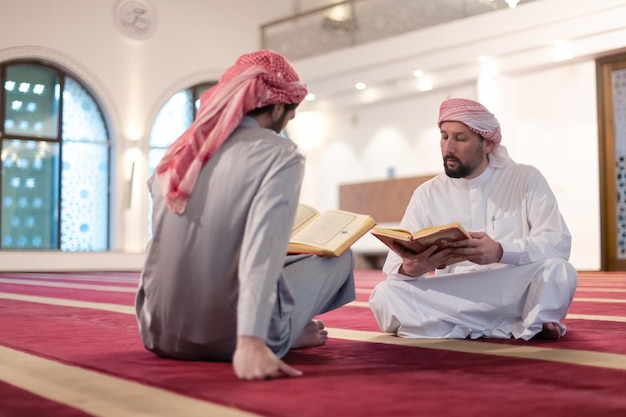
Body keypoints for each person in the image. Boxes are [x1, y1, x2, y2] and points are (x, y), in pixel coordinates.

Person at [135, 50, 355, 380]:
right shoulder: (280, 154)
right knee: (339, 257)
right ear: (278, 106)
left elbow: (159, 250)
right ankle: (279, 335)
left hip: (159, 333)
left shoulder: (181, 153)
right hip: (230, 339)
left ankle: (276, 329)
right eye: (290, 113)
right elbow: (261, 254)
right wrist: (251, 341)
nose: (289, 122)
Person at [369, 98, 578, 341]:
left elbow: (557, 242)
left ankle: (458, 326)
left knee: (560, 272)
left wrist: (501, 251)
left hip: (510, 287)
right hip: (455, 293)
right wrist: (411, 268)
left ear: (487, 143)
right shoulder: (427, 193)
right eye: (444, 136)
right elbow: (394, 267)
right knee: (385, 294)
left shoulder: (525, 178)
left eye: (460, 138)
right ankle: (521, 323)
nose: (448, 148)